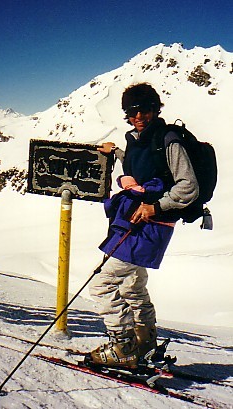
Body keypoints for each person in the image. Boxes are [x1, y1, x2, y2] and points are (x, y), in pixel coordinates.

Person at [88, 83, 199, 369]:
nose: (138, 115)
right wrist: (119, 153)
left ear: (155, 108)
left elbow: (188, 187)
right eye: (132, 110)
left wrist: (154, 206)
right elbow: (149, 168)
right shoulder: (141, 138)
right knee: (132, 285)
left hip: (150, 224)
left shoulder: (168, 139)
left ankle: (122, 346)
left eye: (144, 109)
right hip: (136, 222)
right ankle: (145, 343)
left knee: (102, 285)